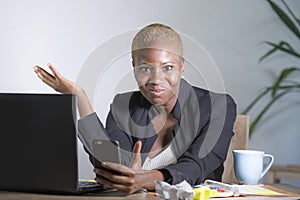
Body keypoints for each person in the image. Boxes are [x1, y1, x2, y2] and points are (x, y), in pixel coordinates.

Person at [33, 23, 237, 195]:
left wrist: (146, 180)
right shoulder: (124, 106)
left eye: (168, 67)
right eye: (145, 68)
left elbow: (196, 167)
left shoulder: (218, 107)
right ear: (134, 67)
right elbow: (110, 163)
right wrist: (81, 100)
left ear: (181, 67)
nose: (156, 80)